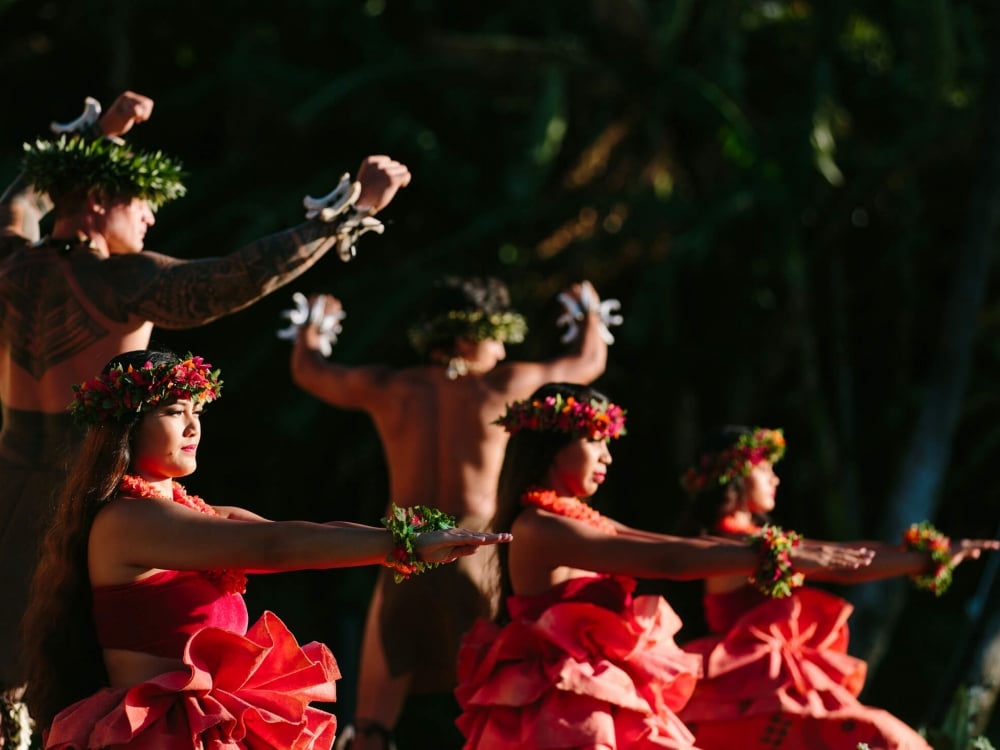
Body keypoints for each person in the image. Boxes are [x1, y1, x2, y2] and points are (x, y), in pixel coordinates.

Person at [0, 90, 411, 743]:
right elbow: (226, 280)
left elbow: (18, 202)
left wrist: (100, 138)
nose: (149, 222)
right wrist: (349, 212)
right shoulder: (120, 281)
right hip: (83, 501)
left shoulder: (12, 263)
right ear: (100, 204)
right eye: (141, 207)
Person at [20, 348, 510, 749]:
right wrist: (404, 546)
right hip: (154, 735)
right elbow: (274, 546)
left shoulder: (195, 513)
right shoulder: (129, 520)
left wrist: (411, 539)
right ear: (124, 428)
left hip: (209, 727)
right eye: (173, 413)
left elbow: (302, 532)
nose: (193, 428)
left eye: (197, 412)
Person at [453, 383, 874, 750]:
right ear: (551, 443)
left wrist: (773, 547)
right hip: (563, 703)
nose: (607, 458)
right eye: (595, 442)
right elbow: (668, 561)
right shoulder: (539, 526)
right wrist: (773, 554)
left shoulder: (574, 518)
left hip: (598, 689)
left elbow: (677, 544)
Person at [287, 276, 613, 749]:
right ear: (467, 338)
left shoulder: (391, 387)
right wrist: (589, 314)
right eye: (497, 338)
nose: (501, 352)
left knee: (372, 724)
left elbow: (310, 371)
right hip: (473, 551)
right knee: (501, 700)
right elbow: (588, 362)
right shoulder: (504, 385)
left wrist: (312, 328)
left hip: (402, 551)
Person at [674, 425, 999, 750]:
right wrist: (925, 560)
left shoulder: (750, 540)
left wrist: (929, 557)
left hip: (772, 682)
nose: (775, 478)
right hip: (751, 684)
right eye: (765, 467)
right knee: (885, 738)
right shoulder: (735, 542)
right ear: (739, 473)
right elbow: (838, 564)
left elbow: (839, 555)